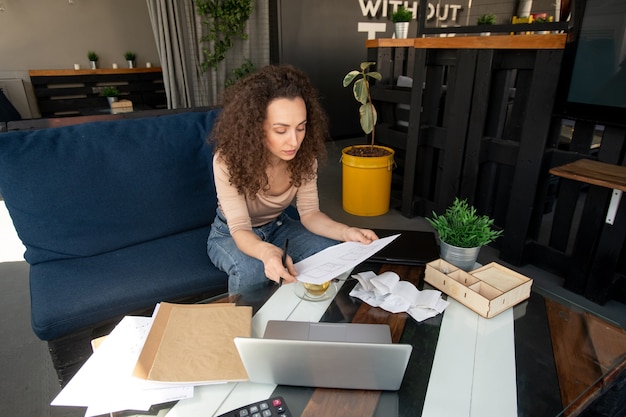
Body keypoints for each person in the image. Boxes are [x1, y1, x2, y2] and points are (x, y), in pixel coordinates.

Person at [207, 64, 378, 291]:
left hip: (278, 226)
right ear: (257, 128)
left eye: (301, 127)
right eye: (281, 130)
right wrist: (266, 251)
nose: (294, 141)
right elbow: (240, 229)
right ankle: (241, 325)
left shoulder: (304, 157)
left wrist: (346, 231)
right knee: (252, 271)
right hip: (229, 233)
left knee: (332, 251)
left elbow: (310, 214)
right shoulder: (228, 160)